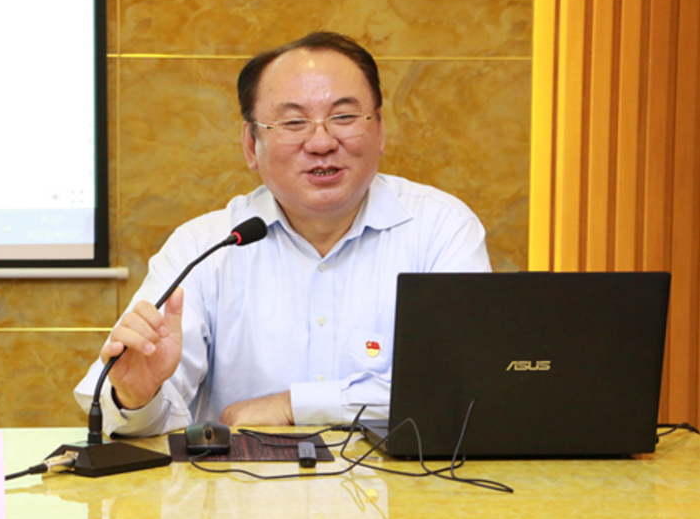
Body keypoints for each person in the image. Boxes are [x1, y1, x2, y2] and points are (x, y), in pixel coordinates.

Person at [75, 31, 491, 436]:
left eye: (344, 117)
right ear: (250, 145)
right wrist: (138, 398)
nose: (322, 142)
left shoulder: (440, 229)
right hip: (243, 483)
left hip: (403, 483)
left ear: (379, 130)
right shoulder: (204, 248)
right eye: (293, 122)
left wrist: (293, 406)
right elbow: (136, 416)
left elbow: (464, 388)